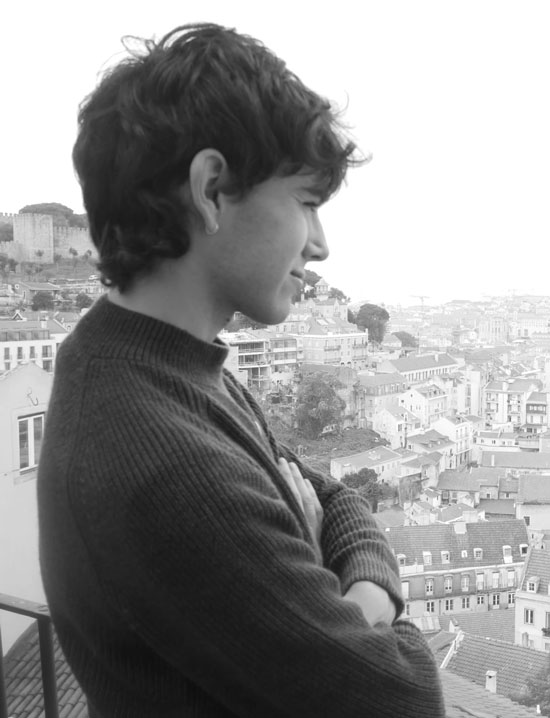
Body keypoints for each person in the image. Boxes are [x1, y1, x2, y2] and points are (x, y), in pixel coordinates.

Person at [37, 23, 445, 718]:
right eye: (307, 203)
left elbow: (331, 496)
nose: (321, 244)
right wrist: (361, 597)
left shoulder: (157, 366)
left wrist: (347, 588)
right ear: (212, 189)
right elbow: (404, 697)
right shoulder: (164, 462)